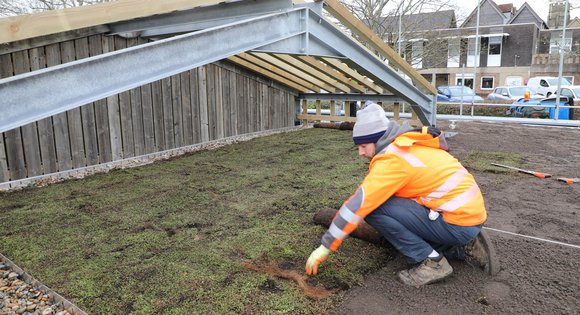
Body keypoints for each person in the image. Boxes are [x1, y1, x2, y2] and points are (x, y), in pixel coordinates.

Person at [305, 101, 489, 287]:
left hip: (458, 222)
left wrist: (325, 246)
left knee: (374, 208)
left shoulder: (393, 161)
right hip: (469, 215)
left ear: (377, 140)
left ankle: (433, 262)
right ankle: (458, 246)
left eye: (363, 146)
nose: (360, 153)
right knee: (390, 200)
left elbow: (357, 206)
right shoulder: (407, 143)